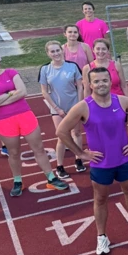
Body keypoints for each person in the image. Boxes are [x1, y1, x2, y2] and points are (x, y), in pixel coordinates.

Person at [55, 67, 128, 255]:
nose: (101, 84)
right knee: (101, 199)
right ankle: (102, 237)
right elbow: (61, 131)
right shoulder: (83, 106)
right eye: (96, 81)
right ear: (90, 84)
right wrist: (81, 153)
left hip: (124, 159)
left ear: (110, 82)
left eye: (104, 80)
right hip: (101, 164)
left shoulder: (122, 101)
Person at [0, 48, 68, 196]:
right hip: (4, 121)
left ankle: (51, 178)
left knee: (38, 148)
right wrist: (9, 94)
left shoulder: (10, 72)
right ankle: (18, 181)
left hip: (25, 115)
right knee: (13, 153)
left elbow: (23, 92)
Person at [39, 41, 86, 178]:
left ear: (62, 50)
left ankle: (78, 159)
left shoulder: (72, 66)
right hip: (57, 109)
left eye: (57, 50)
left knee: (76, 133)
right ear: (48, 54)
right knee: (61, 136)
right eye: (52, 51)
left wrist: (78, 105)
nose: (56, 53)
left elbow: (80, 86)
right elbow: (44, 92)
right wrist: (57, 108)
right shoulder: (45, 69)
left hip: (74, 107)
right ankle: (60, 166)